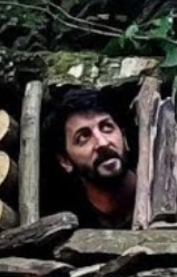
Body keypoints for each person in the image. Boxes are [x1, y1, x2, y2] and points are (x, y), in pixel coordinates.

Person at [47, 87, 136, 229]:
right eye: (83, 137)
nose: (102, 143)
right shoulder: (72, 223)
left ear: (124, 137)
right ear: (65, 161)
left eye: (107, 127)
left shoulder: (164, 189)